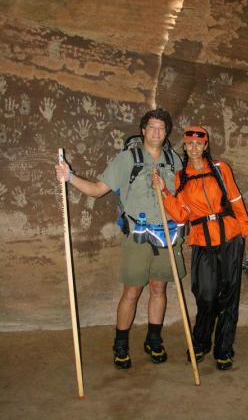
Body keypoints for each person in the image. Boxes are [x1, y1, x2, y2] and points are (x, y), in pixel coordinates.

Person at [55, 108, 185, 369]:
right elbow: (96, 190)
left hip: (169, 235)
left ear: (167, 132)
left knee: (159, 288)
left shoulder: (175, 160)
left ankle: (153, 339)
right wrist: (69, 177)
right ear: (143, 130)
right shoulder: (128, 159)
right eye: (152, 127)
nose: (157, 132)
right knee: (132, 291)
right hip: (138, 235)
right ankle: (121, 343)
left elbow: (182, 198)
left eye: (162, 128)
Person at [153, 125, 248, 371]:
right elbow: (180, 215)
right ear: (184, 146)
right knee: (206, 295)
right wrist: (164, 192)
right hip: (202, 241)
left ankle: (224, 349)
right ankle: (201, 342)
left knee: (229, 296)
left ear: (206, 145)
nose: (194, 148)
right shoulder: (182, 177)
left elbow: (236, 202)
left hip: (231, 238)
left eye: (198, 143)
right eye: (189, 143)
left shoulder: (221, 170)